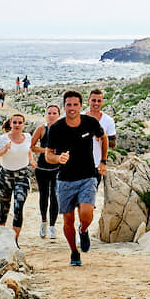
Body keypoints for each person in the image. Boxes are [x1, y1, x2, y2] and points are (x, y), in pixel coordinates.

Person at [45, 90, 106, 267]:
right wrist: (58, 159)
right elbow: (49, 155)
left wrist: (103, 161)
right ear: (64, 106)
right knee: (68, 220)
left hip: (88, 176)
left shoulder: (90, 122)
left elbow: (103, 138)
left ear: (81, 105)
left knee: (87, 214)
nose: (72, 108)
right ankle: (73, 251)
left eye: (75, 104)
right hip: (65, 180)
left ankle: (84, 230)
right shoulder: (56, 128)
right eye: (68, 105)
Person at [0, 113, 37, 247]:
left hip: (22, 176)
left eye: (20, 122)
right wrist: (4, 150)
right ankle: (2, 238)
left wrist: (32, 160)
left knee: (18, 207)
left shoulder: (27, 137)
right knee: (4, 208)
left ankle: (14, 242)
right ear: (10, 124)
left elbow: (29, 150)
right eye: (14, 122)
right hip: (5, 176)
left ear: (23, 125)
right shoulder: (3, 139)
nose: (17, 125)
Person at [31, 104, 61, 240]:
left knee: (55, 196)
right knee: (44, 196)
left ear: (59, 115)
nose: (52, 115)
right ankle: (44, 222)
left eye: (54, 113)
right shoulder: (42, 129)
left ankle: (52, 227)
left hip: (57, 168)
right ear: (46, 114)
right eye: (49, 113)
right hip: (42, 168)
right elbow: (31, 146)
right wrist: (46, 150)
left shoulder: (63, 129)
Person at [85, 89, 116, 190]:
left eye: (99, 101)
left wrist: (101, 138)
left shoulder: (108, 121)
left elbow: (112, 144)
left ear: (102, 102)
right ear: (88, 100)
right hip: (78, 164)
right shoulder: (79, 117)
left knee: (90, 198)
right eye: (93, 100)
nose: (96, 103)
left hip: (96, 165)